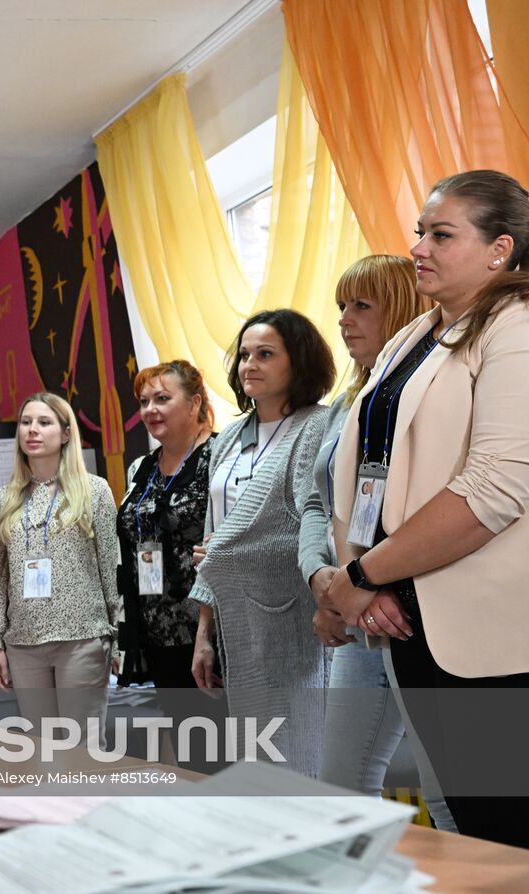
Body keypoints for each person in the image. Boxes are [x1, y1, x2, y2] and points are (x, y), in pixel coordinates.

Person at [324, 171, 529, 847]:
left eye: (442, 234)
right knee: (468, 825)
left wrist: (358, 579)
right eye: (420, 231)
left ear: (500, 250)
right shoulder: (412, 336)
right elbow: (363, 474)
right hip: (408, 614)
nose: (420, 247)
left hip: (493, 630)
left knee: (505, 835)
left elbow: (496, 488)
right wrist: (360, 573)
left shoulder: (516, 324)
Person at [297, 255, 452, 826]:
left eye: (362, 306)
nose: (344, 320)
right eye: (341, 306)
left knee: (448, 792)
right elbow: (317, 503)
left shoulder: (432, 390)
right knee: (341, 785)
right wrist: (328, 585)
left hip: (409, 608)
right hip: (359, 609)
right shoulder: (348, 403)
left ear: (403, 310)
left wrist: (361, 586)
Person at [188, 309, 334, 777]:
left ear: (300, 362)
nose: (249, 364)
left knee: (302, 754)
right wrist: (203, 635)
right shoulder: (228, 438)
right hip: (237, 622)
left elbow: (315, 527)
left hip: (295, 618)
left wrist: (227, 552)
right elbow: (217, 537)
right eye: (244, 355)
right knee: (258, 761)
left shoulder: (320, 426)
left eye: (266, 354)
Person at [0, 393, 120, 736]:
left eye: (44, 423)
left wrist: (119, 637)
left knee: (82, 749)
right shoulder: (6, 497)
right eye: (26, 422)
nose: (32, 430)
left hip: (81, 638)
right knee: (40, 749)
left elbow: (111, 568)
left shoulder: (95, 491)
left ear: (65, 433)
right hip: (23, 643)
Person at [116, 361, 214, 693]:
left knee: (227, 739)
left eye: (161, 399)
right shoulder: (141, 469)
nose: (150, 409)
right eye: (144, 402)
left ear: (194, 402)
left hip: (208, 627)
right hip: (156, 629)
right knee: (187, 735)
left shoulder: (218, 457)